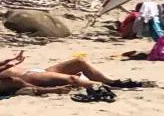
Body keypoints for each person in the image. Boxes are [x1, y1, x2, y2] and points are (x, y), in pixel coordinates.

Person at [0, 50, 136, 95]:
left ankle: (110, 81)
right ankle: (106, 87)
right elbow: (19, 84)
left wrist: (10, 61)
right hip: (31, 78)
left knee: (78, 62)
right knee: (72, 79)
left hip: (35, 70)